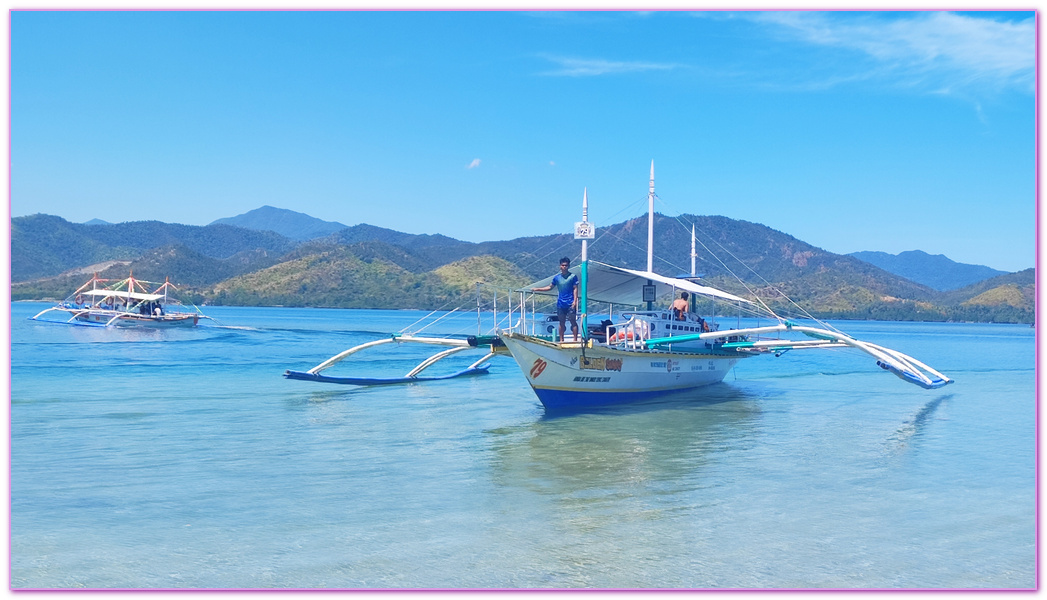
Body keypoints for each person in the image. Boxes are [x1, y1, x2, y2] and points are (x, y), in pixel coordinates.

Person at [532, 257, 579, 342]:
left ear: (568, 266)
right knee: (561, 322)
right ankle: (561, 340)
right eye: (563, 265)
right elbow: (550, 287)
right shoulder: (557, 278)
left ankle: (575, 340)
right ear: (560, 266)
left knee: (573, 322)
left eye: (566, 265)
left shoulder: (573, 277)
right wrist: (537, 289)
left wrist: (575, 301)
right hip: (561, 303)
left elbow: (575, 289)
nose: (564, 267)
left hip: (570, 303)